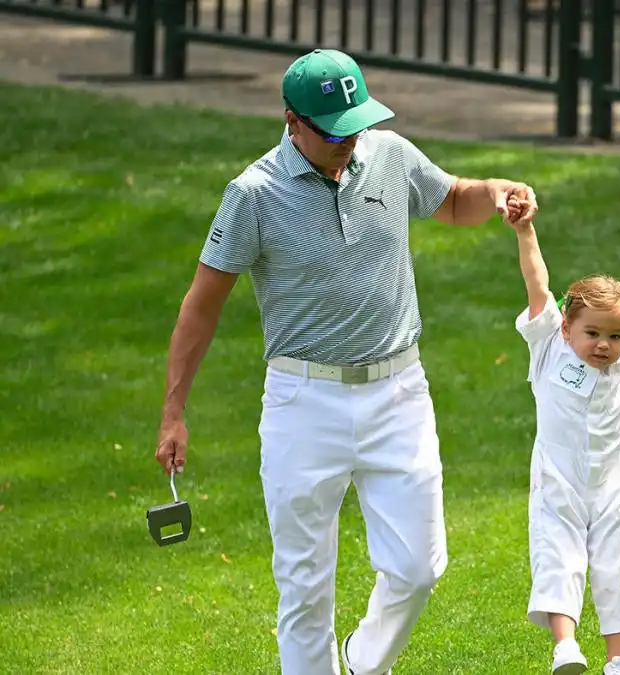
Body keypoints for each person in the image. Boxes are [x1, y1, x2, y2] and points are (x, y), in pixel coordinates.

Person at [153, 48, 538, 675]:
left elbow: (452, 200)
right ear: (291, 121)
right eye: (334, 130)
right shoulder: (252, 195)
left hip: (398, 393)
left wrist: (497, 193)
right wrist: (174, 412)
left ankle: (363, 661)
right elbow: (201, 306)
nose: (349, 140)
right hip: (304, 404)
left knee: (418, 567)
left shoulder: (387, 153)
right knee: (305, 589)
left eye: (356, 122)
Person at [507, 194, 620, 675]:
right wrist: (525, 231)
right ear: (566, 329)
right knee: (557, 557)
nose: (605, 344)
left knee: (616, 566)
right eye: (592, 334)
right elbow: (536, 282)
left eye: (615, 335)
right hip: (558, 479)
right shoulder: (547, 346)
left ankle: (618, 660)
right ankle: (566, 648)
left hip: (609, 484)